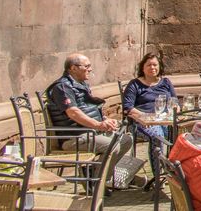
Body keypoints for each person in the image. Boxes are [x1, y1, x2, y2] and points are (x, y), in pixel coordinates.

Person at [46, 53, 134, 184]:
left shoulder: (81, 84)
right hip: (74, 138)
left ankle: (94, 174)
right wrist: (98, 125)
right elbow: (73, 113)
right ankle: (95, 182)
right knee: (113, 145)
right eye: (86, 66)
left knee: (126, 140)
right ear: (73, 68)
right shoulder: (63, 87)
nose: (90, 69)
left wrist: (105, 120)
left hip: (90, 133)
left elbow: (88, 108)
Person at [121, 52, 177, 184]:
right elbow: (128, 108)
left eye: (155, 65)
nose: (152, 68)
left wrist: (175, 110)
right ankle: (158, 176)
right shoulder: (135, 84)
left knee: (179, 134)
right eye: (149, 65)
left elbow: (174, 102)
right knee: (157, 137)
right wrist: (146, 117)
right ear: (143, 67)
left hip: (165, 120)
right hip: (141, 123)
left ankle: (175, 172)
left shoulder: (166, 82)